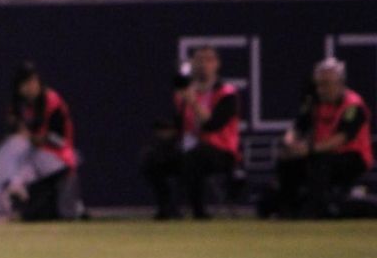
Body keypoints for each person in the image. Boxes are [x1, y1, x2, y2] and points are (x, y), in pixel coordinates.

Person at [258, 58, 372, 219]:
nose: (321, 89)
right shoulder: (313, 101)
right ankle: (287, 208)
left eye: (326, 84)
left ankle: (315, 210)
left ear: (340, 83)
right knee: (288, 161)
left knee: (320, 163)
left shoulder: (353, 106)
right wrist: (289, 142)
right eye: (318, 84)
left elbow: (342, 138)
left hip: (353, 157)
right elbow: (298, 126)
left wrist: (309, 149)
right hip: (320, 152)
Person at [140, 45, 239, 220]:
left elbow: (212, 125)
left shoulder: (227, 94)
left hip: (220, 152)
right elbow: (181, 127)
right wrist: (168, 132)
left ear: (217, 64)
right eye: (198, 59)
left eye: (208, 59)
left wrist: (193, 102)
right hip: (189, 149)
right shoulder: (183, 94)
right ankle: (166, 208)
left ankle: (199, 212)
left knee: (195, 157)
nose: (203, 64)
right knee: (151, 157)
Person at [0, 62, 81, 222]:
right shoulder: (20, 104)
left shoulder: (51, 100)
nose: (31, 86)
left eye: (33, 81)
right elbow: (16, 132)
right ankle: (3, 204)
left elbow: (58, 140)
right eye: (26, 82)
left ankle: (11, 193)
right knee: (6, 154)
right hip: (33, 158)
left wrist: (29, 136)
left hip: (60, 157)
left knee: (15, 153)